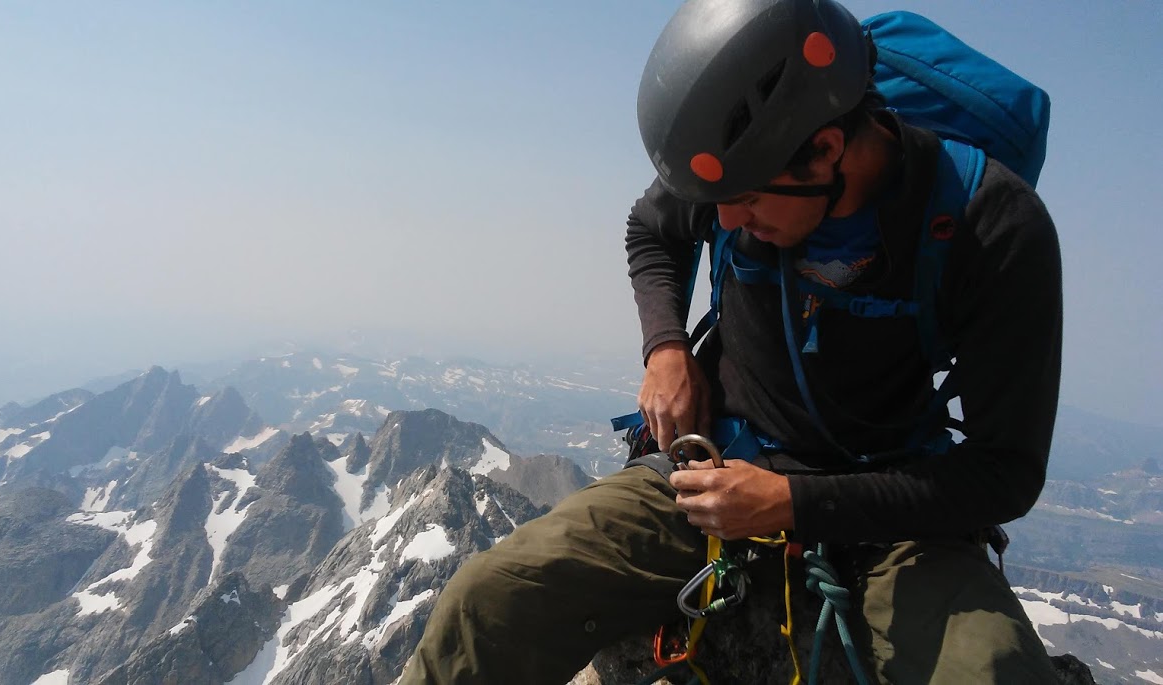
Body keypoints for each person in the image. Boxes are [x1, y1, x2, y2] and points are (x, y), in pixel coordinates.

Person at [401, 0, 1062, 682]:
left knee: (997, 672)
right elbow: (653, 227)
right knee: (488, 601)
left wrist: (793, 502)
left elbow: (1004, 470)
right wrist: (665, 347)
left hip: (896, 512)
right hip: (715, 466)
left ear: (827, 151)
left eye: (744, 201)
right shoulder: (747, 161)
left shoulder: (990, 225)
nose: (722, 219)